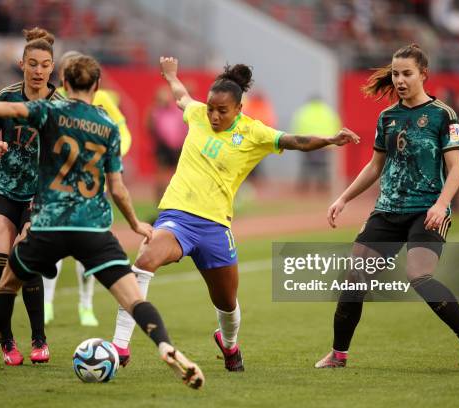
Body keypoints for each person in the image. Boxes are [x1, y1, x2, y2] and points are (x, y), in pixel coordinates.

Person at [0, 54, 203, 389]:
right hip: (93, 228)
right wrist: (135, 224)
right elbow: (117, 187)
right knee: (133, 299)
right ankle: (165, 346)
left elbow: (12, 111)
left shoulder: (50, 110)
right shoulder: (108, 125)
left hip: (49, 225)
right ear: (97, 86)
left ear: (66, 84)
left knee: (5, 287)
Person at [111, 56, 359, 371]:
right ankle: (120, 346)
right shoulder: (198, 114)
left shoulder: (254, 132)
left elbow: (294, 140)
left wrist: (329, 139)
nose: (213, 115)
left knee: (227, 303)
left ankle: (229, 346)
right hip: (178, 218)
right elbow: (181, 96)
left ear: (239, 109)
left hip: (215, 227)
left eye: (222, 111)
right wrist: (171, 76)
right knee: (145, 261)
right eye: (211, 108)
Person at [315, 44, 459, 371]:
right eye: (395, 73)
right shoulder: (388, 117)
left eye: (406, 73)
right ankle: (339, 355)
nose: (399, 79)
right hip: (388, 210)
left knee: (418, 274)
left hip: (427, 210)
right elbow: (374, 166)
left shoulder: (443, 115)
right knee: (354, 278)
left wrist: (441, 204)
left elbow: (457, 168)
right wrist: (343, 198)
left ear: (423, 74)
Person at [0, 27, 64, 366]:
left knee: (25, 260)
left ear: (52, 66)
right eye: (33, 64)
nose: (39, 70)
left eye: (45, 64)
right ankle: (6, 341)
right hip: (4, 188)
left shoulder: (60, 105)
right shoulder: (6, 96)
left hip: (38, 197)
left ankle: (39, 339)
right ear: (22, 64)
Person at [44, 50, 134, 327]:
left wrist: (111, 165)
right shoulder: (53, 99)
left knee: (86, 251)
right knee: (52, 250)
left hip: (92, 185)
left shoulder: (102, 98)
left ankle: (86, 306)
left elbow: (122, 132)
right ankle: (46, 303)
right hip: (58, 187)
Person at [291, 95, 342, 191]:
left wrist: (297, 144)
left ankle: (304, 185)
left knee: (306, 165)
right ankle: (322, 185)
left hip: (307, 143)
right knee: (323, 165)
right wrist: (333, 143)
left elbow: (297, 127)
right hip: (325, 144)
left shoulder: (303, 112)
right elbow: (337, 126)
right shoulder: (328, 112)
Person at [148, 85, 187, 205]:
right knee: (160, 176)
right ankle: (159, 202)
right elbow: (150, 128)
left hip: (178, 146)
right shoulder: (155, 112)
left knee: (180, 175)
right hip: (163, 147)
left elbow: (183, 126)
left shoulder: (176, 111)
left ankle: (180, 200)